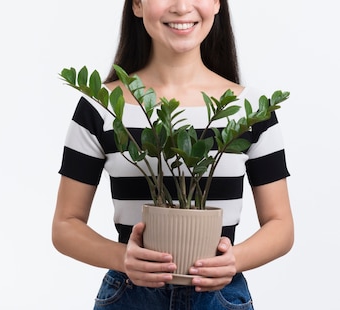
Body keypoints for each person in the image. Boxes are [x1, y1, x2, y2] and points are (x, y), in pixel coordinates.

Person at [51, 0, 294, 309]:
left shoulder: (253, 112)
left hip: (219, 297)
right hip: (130, 294)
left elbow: (281, 224)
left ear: (217, 4)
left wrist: (234, 260)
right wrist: (123, 258)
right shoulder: (101, 107)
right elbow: (65, 225)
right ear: (137, 5)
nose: (181, 7)